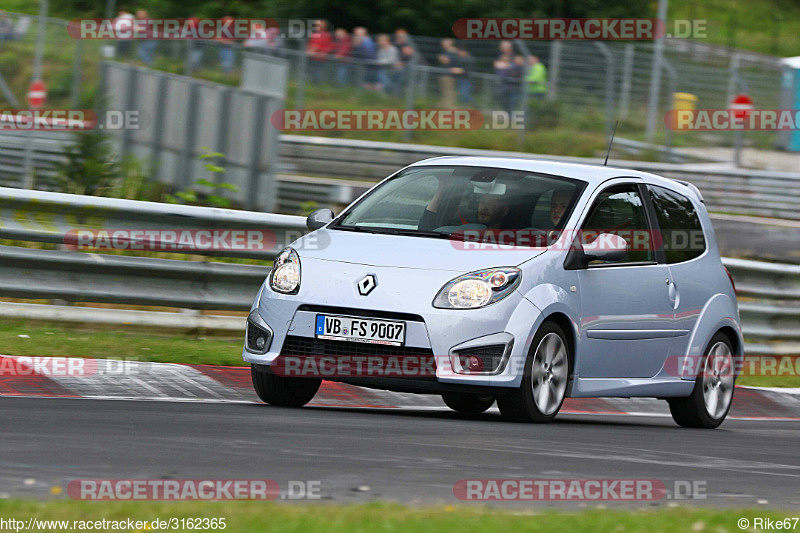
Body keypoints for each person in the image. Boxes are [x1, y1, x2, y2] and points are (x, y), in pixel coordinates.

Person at [437, 39, 458, 109]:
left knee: (449, 91)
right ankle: (445, 105)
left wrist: (442, 58)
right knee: (444, 91)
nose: (442, 44)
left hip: (449, 75)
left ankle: (450, 107)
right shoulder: (446, 51)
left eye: (444, 42)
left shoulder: (453, 52)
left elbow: (447, 61)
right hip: (445, 74)